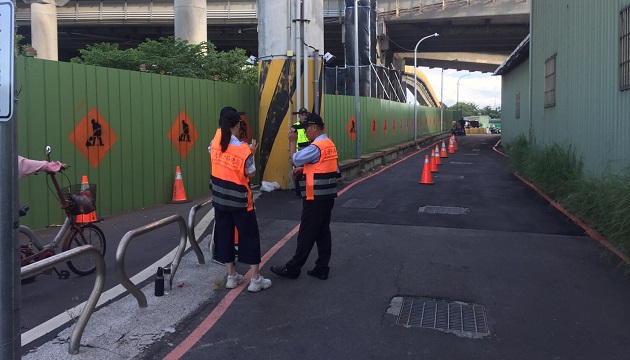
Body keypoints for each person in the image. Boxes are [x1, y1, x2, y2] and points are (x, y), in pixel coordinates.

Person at [270, 113, 339, 280]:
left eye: (306, 129)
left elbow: (295, 159)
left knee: (306, 233)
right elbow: (325, 167)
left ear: (314, 128)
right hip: (327, 196)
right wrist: (304, 170)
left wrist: (292, 141)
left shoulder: (316, 147)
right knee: (322, 232)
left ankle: (293, 268)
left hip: (314, 197)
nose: (305, 133)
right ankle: (322, 267)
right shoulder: (329, 144)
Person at [210, 109, 272, 293]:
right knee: (249, 236)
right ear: (238, 125)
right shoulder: (243, 149)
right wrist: (251, 153)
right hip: (240, 201)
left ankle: (231, 276)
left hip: (220, 199)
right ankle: (254, 279)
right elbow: (250, 173)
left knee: (225, 236)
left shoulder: (214, 143)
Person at [291, 108, 310, 197]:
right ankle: (299, 192)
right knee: (298, 174)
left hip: (307, 153)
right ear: (299, 116)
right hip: (299, 153)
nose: (304, 116)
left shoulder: (308, 125)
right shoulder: (295, 126)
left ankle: (306, 190)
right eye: (302, 115)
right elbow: (291, 139)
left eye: (305, 114)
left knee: (307, 172)